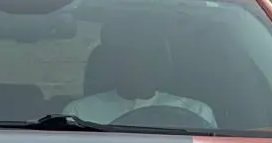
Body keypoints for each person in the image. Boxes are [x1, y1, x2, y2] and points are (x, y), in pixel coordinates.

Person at [64, 20, 217, 127]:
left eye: (147, 61)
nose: (138, 68)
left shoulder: (196, 113)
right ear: (114, 67)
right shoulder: (79, 113)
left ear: (161, 67)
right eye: (129, 61)